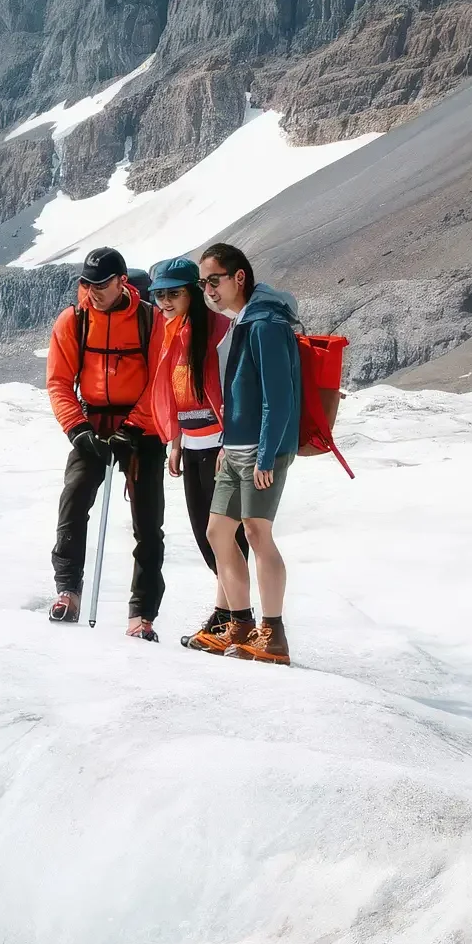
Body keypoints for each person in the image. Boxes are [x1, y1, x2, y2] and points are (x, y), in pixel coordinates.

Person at [44, 245, 172, 638]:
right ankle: (68, 590)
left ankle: (142, 615)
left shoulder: (152, 321)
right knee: (74, 499)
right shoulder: (74, 320)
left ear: (121, 282)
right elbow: (59, 382)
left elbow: (160, 381)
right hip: (93, 423)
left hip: (144, 430)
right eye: (87, 283)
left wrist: (132, 429)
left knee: (148, 523)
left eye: (101, 283)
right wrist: (77, 430)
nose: (93, 290)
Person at [190, 239, 302, 665]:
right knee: (219, 531)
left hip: (262, 452)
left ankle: (273, 635)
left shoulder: (265, 324)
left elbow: (279, 398)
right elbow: (241, 396)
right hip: (236, 448)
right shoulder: (243, 321)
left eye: (214, 281)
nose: (209, 291)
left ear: (239, 277)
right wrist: (226, 443)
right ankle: (239, 622)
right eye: (203, 284)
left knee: (257, 533)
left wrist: (264, 455)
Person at [148, 253, 246, 646]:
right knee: (210, 539)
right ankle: (225, 617)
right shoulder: (176, 333)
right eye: (159, 296)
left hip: (221, 446)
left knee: (224, 538)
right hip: (192, 445)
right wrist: (176, 442)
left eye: (173, 294)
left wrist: (231, 444)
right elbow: (178, 394)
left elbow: (235, 392)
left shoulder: (222, 332)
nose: (165, 303)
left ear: (192, 292)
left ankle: (236, 619)